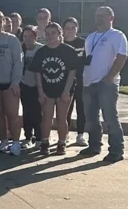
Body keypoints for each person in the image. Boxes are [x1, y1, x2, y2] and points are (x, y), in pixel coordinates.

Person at [81, 5, 128, 163]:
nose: (99, 18)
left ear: (111, 18)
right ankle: (94, 145)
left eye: (102, 15)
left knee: (110, 117)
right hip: (89, 83)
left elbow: (122, 56)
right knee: (91, 117)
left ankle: (116, 150)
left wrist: (110, 76)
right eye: (97, 15)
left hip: (107, 83)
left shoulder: (117, 35)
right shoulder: (90, 37)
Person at [31, 21, 77, 156]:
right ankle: (45, 142)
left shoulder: (68, 51)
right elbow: (37, 73)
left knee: (62, 118)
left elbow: (72, 72)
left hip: (63, 89)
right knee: (47, 118)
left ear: (59, 34)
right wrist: (40, 92)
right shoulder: (41, 52)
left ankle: (61, 143)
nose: (50, 36)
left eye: (53, 33)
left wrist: (66, 91)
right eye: (47, 33)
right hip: (47, 89)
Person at [0, 10, 24, 155]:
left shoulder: (12, 40)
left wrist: (15, 82)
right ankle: (3, 141)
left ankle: (15, 142)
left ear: (4, 22)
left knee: (12, 114)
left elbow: (18, 62)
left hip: (9, 83)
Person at [62, 17, 87, 147]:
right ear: (63, 29)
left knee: (81, 108)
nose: (70, 30)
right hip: (65, 82)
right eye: (67, 28)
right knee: (66, 109)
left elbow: (88, 61)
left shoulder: (83, 43)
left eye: (73, 28)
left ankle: (80, 135)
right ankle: (64, 134)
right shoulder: (60, 44)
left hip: (81, 80)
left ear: (77, 28)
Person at [19, 25, 43, 148]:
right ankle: (28, 137)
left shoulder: (41, 49)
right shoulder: (20, 49)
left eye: (30, 36)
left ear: (35, 37)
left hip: (38, 86)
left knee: (38, 113)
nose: (27, 39)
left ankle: (39, 137)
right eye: (25, 36)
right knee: (26, 112)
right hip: (24, 84)